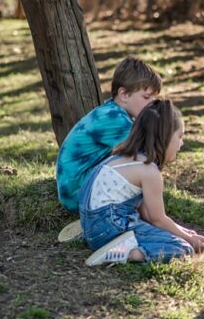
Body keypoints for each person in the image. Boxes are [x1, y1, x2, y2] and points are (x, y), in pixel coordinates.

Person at [80, 99, 204, 266]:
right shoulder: (149, 171)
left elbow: (148, 216)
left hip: (92, 225)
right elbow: (158, 219)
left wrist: (187, 232)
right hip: (110, 229)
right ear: (164, 137)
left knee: (173, 237)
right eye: (180, 136)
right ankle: (121, 252)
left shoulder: (121, 157)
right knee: (182, 248)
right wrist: (188, 240)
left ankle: (105, 240)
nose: (182, 143)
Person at [55, 56, 162, 224]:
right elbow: (148, 154)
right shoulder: (116, 120)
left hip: (76, 187)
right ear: (124, 94)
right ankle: (138, 217)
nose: (152, 104)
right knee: (142, 163)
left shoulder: (112, 111)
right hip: (77, 194)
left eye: (154, 99)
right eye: (146, 97)